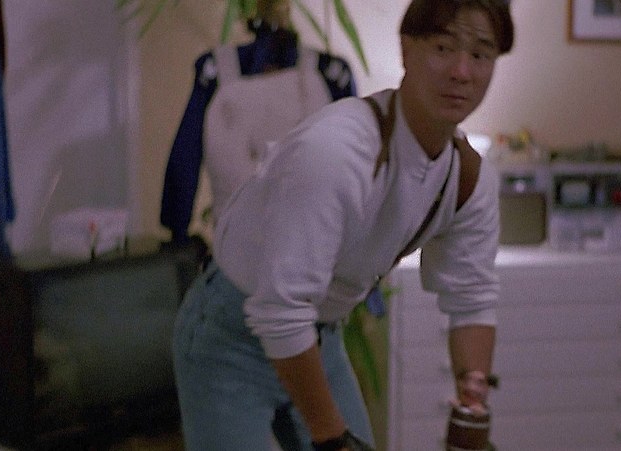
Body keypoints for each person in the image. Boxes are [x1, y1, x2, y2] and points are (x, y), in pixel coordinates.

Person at [171, 0, 515, 449]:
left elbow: (471, 296)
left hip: (318, 335)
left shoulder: (468, 179)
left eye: (481, 54)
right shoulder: (338, 150)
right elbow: (280, 311)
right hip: (231, 335)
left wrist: (473, 398)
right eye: (443, 48)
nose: (462, 72)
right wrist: (332, 440)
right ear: (406, 50)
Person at [158, 0, 355, 246]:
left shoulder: (330, 75)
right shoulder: (218, 72)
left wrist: (177, 229)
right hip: (260, 248)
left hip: (298, 247)